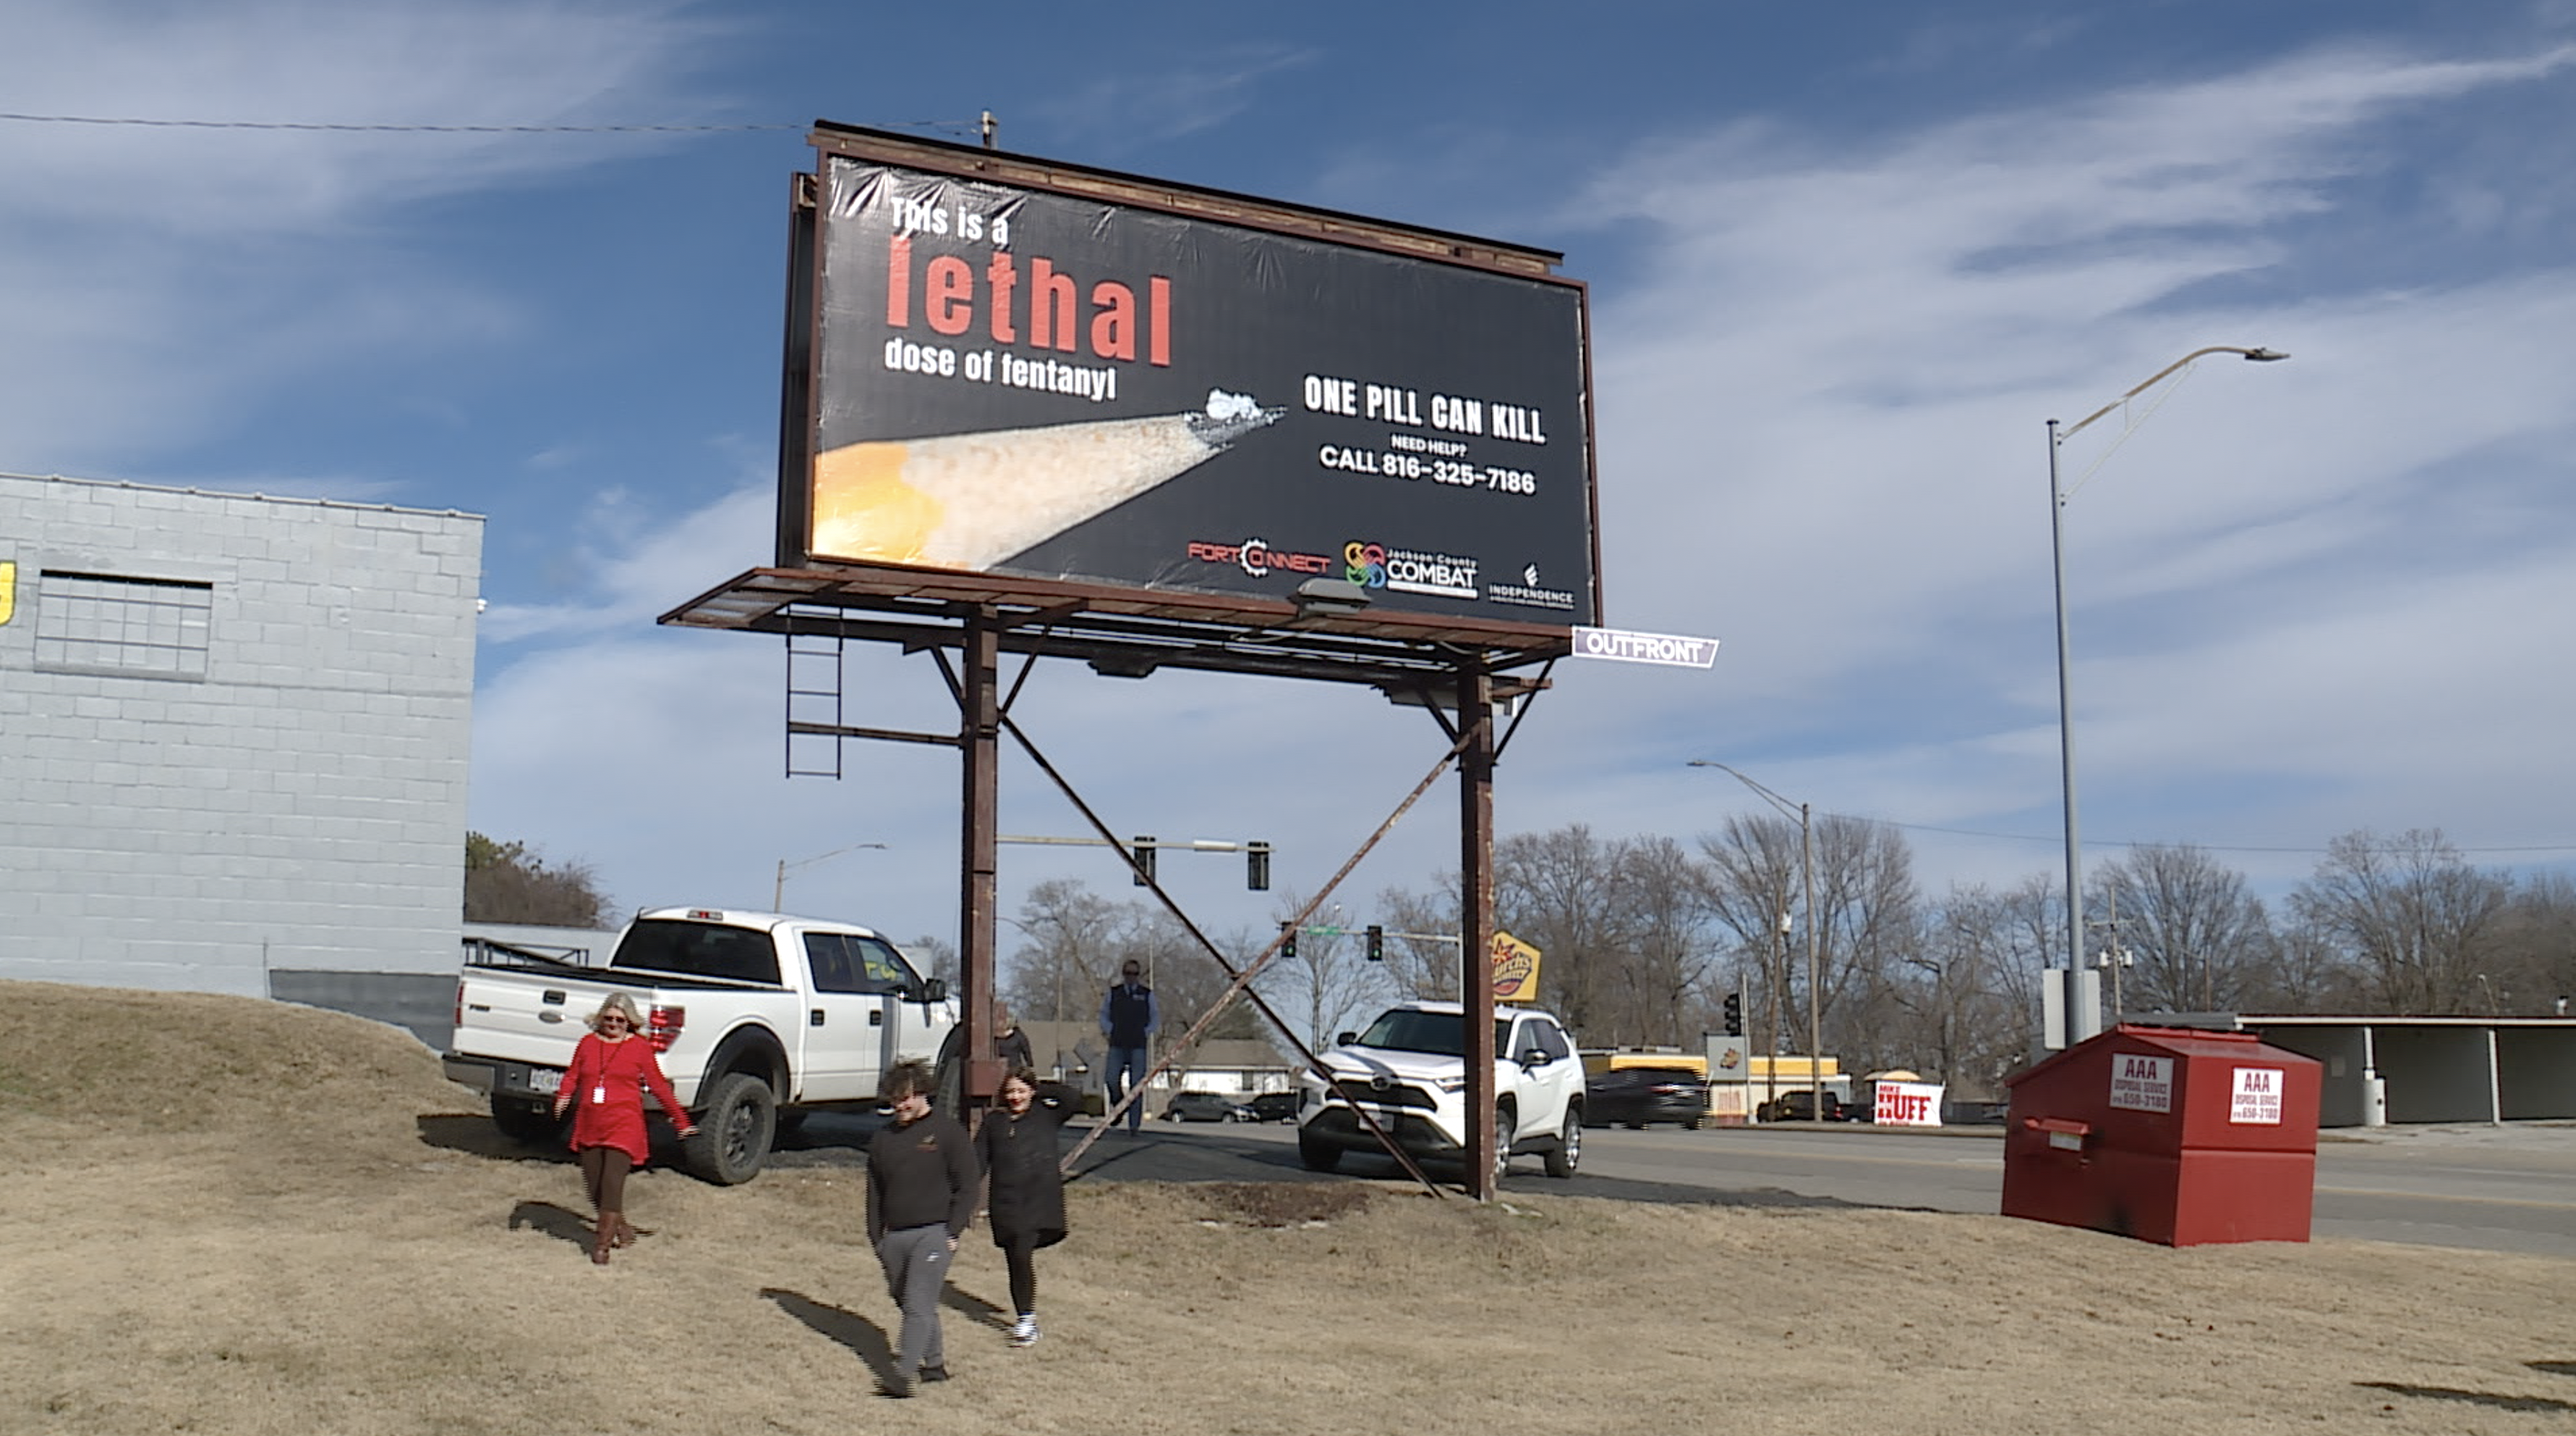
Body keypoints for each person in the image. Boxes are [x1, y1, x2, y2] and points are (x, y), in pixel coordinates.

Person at [551, 992, 696, 1266]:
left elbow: (658, 1085)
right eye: (609, 1018)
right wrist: (563, 1096)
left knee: (612, 1183)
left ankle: (601, 1246)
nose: (614, 1023)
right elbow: (573, 1075)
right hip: (591, 1122)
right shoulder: (588, 1044)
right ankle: (623, 1229)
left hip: (625, 1124)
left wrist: (681, 1120)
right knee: (594, 1187)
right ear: (600, 1018)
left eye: (620, 1019)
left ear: (630, 1021)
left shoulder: (639, 1047)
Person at [866, 1057, 976, 1398]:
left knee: (917, 1303)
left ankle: (903, 1373)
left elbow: (969, 1185)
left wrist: (953, 1231)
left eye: (906, 1098)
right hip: (894, 1238)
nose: (900, 1106)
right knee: (912, 1303)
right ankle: (934, 1364)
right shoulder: (883, 1140)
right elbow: (874, 1192)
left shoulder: (947, 1132)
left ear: (922, 1094)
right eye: (894, 1100)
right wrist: (877, 1239)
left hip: (934, 1234)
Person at [973, 1065, 1071, 1349]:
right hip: (1007, 1203)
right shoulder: (995, 1122)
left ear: (1032, 1091)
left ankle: (1026, 1319)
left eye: (1021, 1091)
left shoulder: (1046, 1116)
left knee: (1023, 1253)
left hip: (1040, 1201)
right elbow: (977, 1160)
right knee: (1017, 1258)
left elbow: (1073, 1098)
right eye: (1010, 1092)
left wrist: (1040, 1088)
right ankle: (1026, 1318)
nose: (1016, 1097)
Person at [1097, 960, 1158, 1132]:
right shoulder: (1114, 993)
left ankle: (1134, 1125)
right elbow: (1103, 1014)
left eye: (1134, 974)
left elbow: (1155, 1016)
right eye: (1128, 973)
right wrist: (1110, 1029)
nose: (1131, 977)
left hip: (1138, 1044)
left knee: (1136, 1085)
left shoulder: (1146, 994)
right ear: (1123, 974)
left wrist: (1146, 1032)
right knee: (1110, 1078)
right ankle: (1119, 1106)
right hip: (1117, 1043)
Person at [993, 1001, 1034, 1074]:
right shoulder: (1020, 1035)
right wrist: (1030, 1064)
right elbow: (1026, 1050)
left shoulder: (996, 1036)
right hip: (1015, 1067)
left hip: (999, 1067)